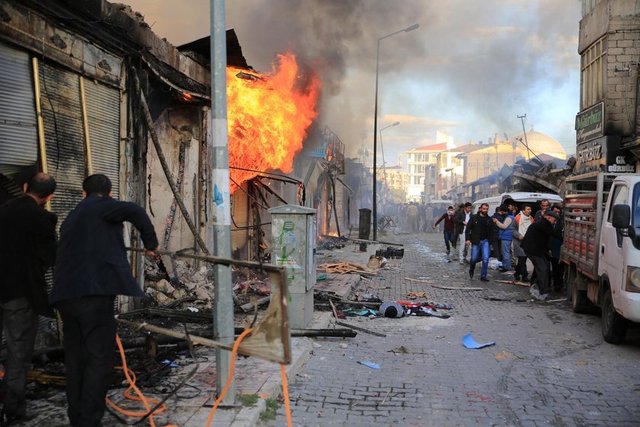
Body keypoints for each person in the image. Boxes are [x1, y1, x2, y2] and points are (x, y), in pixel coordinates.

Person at [51, 174, 159, 427]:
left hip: (66, 297)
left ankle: (77, 417)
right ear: (109, 194)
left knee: (76, 359)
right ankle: (89, 420)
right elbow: (135, 210)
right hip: (93, 295)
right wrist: (150, 244)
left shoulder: (73, 215)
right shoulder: (100, 206)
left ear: (82, 193)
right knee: (99, 358)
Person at [0, 172, 57, 424]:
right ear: (50, 196)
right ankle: (13, 411)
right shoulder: (43, 219)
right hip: (20, 295)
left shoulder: (3, 210)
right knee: (17, 353)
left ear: (24, 187)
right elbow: (49, 258)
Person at [522, 210, 561, 301]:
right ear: (548, 217)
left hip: (536, 249)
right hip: (533, 250)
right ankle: (543, 291)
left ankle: (536, 286)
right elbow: (554, 234)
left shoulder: (543, 223)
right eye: (554, 220)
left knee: (544, 267)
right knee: (543, 268)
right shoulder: (544, 224)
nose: (554, 223)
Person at [466, 202, 492, 282]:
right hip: (476, 241)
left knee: (486, 259)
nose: (485, 210)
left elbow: (491, 231)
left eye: (487, 209)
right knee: (473, 259)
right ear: (480, 209)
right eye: (484, 209)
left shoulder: (489, 219)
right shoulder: (474, 218)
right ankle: (471, 269)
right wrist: (468, 239)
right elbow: (468, 229)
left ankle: (483, 276)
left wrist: (491, 242)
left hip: (485, 241)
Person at [513, 204, 534, 282]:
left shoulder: (531, 219)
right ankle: (524, 276)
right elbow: (512, 229)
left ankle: (517, 273)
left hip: (527, 241)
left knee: (523, 259)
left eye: (530, 209)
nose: (530, 211)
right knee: (522, 258)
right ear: (523, 210)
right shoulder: (517, 218)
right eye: (528, 209)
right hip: (519, 242)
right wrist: (518, 235)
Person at [493, 205, 515, 272]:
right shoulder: (511, 217)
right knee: (507, 252)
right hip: (508, 236)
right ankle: (507, 265)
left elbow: (504, 226)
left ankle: (506, 267)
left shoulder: (509, 218)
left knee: (505, 252)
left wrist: (496, 221)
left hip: (506, 237)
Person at [549, 204, 564, 293]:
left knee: (559, 267)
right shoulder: (548, 221)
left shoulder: (561, 222)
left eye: (559, 212)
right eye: (555, 212)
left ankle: (558, 285)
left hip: (558, 246)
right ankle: (554, 284)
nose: (557, 213)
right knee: (553, 266)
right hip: (551, 246)